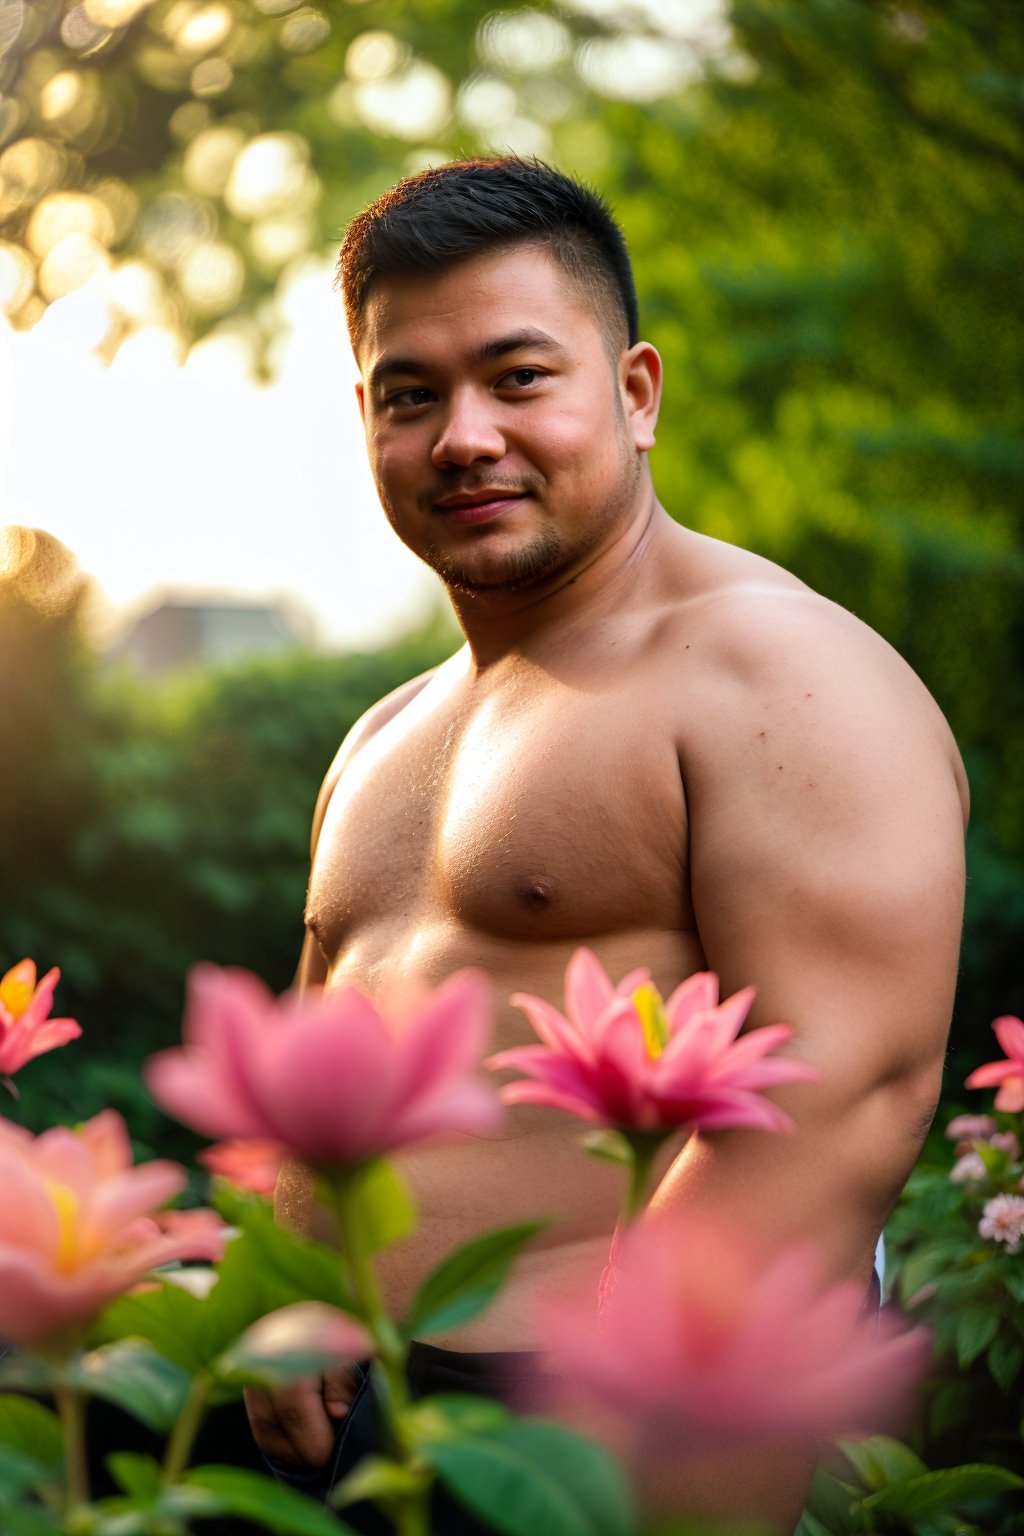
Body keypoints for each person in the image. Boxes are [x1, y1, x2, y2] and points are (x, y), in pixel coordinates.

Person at [244, 157, 968, 1531]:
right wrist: (287, 1289)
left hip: (600, 1446)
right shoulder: (385, 734)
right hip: (354, 1436)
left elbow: (843, 1095)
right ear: (365, 420)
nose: (463, 435)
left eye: (520, 378)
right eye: (412, 394)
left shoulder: (777, 671)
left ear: (634, 394)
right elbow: (319, 1050)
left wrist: (633, 1466)